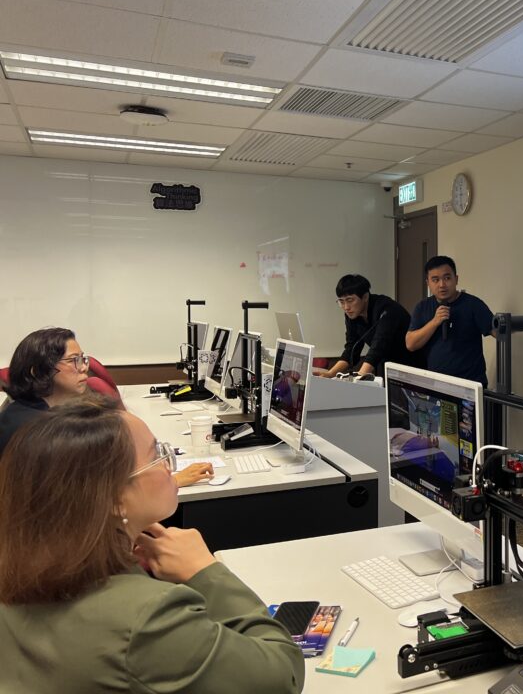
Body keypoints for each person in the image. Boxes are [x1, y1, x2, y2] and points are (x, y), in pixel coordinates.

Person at [0, 401, 304, 693]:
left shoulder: (20, 569)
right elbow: (281, 677)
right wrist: (205, 571)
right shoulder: (148, 617)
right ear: (114, 498)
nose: (169, 465)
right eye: (156, 454)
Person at [0, 328, 213, 485]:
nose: (84, 368)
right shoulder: (39, 430)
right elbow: (93, 494)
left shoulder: (30, 411)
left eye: (83, 359)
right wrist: (172, 481)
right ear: (38, 371)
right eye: (74, 360)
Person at [406, 256, 494, 386]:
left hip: (470, 384)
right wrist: (434, 322)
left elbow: (497, 331)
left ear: (456, 279)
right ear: (428, 283)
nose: (442, 285)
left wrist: (509, 326)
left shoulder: (473, 304)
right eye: (435, 280)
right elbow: (410, 344)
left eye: (447, 278)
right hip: (436, 384)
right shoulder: (422, 307)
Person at [319, 274, 418, 378]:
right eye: (341, 302)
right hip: (387, 367)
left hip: (412, 366)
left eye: (350, 300)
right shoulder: (352, 314)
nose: (346, 307)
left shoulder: (386, 309)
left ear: (365, 297)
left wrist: (360, 377)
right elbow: (351, 350)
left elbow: (378, 346)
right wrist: (329, 374)